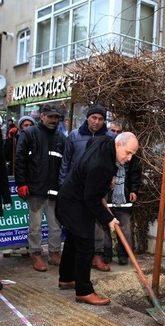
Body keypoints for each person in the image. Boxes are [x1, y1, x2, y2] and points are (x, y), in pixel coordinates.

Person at [57, 132, 139, 306]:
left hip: (70, 196)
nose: (129, 158)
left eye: (133, 154)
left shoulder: (104, 141)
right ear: (118, 145)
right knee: (86, 245)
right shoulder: (101, 166)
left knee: (73, 239)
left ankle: (66, 278)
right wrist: (109, 219)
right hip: (74, 203)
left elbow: (91, 143)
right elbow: (91, 199)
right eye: (128, 153)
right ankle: (84, 291)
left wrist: (104, 180)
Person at [59, 104, 113, 272]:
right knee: (78, 229)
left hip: (96, 188)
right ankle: (74, 270)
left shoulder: (108, 138)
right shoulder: (75, 136)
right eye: (93, 118)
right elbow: (66, 162)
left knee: (97, 225)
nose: (96, 122)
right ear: (87, 118)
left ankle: (97, 255)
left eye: (100, 119)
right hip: (75, 189)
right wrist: (63, 184)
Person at [15, 104, 65, 272]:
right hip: (35, 189)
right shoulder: (29, 134)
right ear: (42, 116)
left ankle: (54, 252)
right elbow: (20, 159)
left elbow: (64, 164)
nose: (53, 120)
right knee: (35, 225)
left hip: (53, 190)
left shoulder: (60, 137)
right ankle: (36, 253)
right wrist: (21, 183)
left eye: (56, 117)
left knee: (55, 225)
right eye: (50, 116)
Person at [103, 153, 142, 265]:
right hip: (107, 198)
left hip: (125, 199)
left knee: (125, 228)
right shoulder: (107, 155)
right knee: (104, 227)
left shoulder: (132, 158)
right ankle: (106, 255)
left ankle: (123, 255)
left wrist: (134, 190)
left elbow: (135, 174)